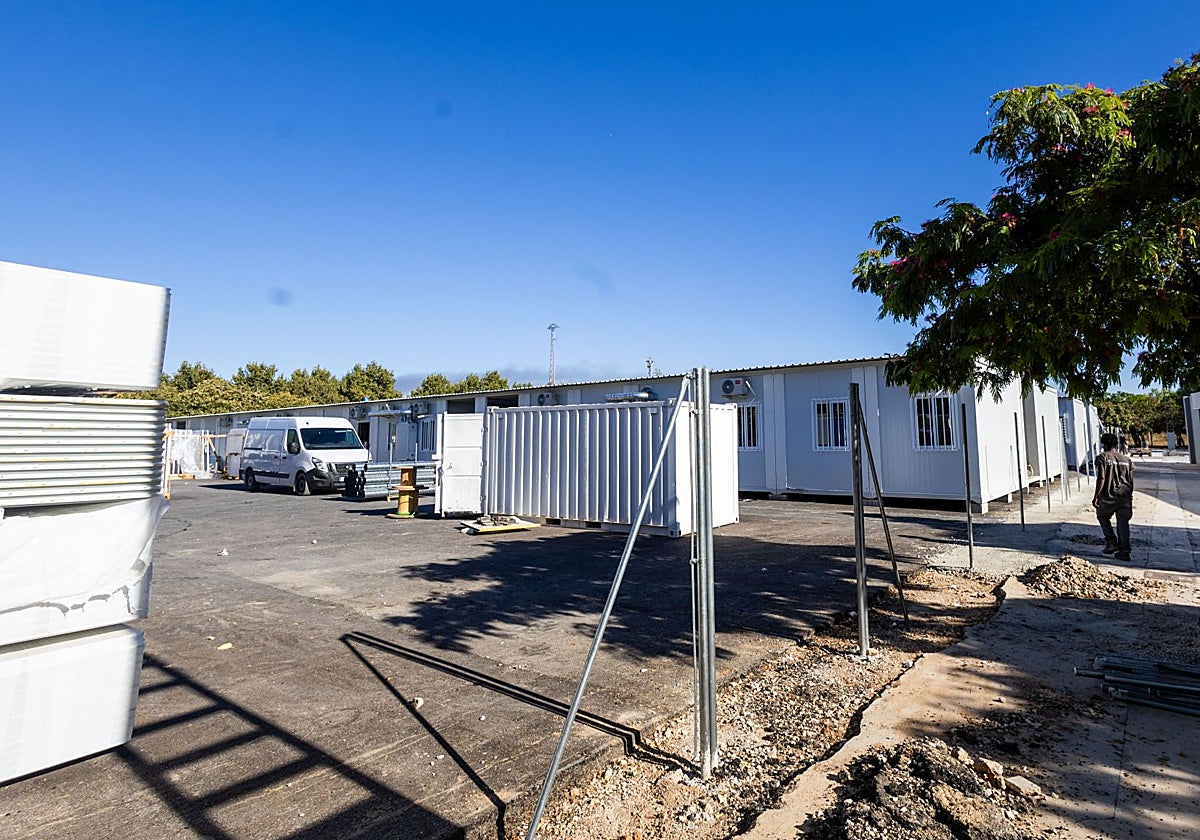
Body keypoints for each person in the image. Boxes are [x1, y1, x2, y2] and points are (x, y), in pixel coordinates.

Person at [1092, 432, 1135, 561]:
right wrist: (1129, 495)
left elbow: (1101, 478)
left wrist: (1096, 496)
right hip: (1124, 495)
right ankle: (1124, 552)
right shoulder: (1127, 460)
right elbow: (1131, 480)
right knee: (1123, 523)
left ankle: (1111, 542)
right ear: (1116, 444)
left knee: (1102, 516)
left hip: (1109, 495)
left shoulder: (1102, 457)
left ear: (1104, 444)